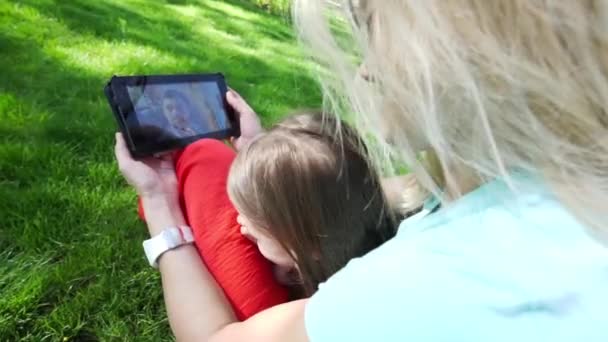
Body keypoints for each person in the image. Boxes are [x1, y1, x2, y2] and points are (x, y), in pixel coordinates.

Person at [114, 0, 608, 341]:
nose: (366, 71)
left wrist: (160, 207)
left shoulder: (413, 286)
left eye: (371, 28)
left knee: (201, 161)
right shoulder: (556, 188)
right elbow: (368, 191)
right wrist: (272, 160)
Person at [227, 113, 396, 296]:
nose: (240, 222)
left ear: (308, 243)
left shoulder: (337, 298)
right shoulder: (370, 226)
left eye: (258, 236)